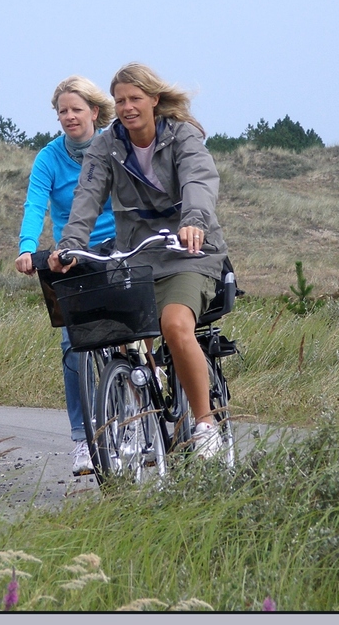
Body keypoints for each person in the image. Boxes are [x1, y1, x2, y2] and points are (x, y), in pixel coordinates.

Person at [48, 62, 229, 459]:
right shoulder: (107, 145)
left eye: (135, 99)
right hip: (137, 255)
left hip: (188, 253)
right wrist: (71, 243)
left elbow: (199, 180)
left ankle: (205, 423)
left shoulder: (182, 137)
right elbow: (87, 196)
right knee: (124, 333)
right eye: (120, 101)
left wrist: (194, 222)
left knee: (174, 324)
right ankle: (134, 416)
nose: (127, 107)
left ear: (154, 100)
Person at [15, 75, 116, 475]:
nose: (70, 116)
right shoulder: (48, 158)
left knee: (139, 328)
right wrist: (27, 248)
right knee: (73, 346)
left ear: (94, 111)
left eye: (77, 109)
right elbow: (35, 203)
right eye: (63, 111)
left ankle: (141, 413)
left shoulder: (115, 145)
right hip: (71, 255)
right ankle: (82, 441)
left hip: (118, 246)